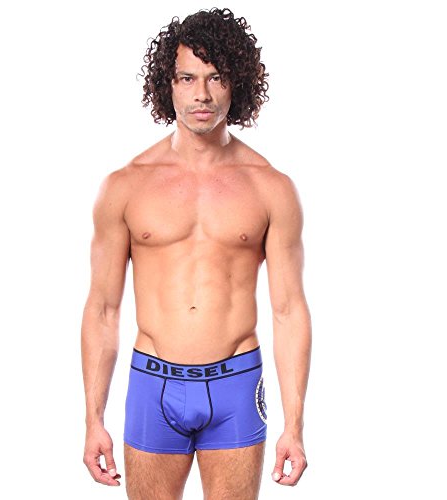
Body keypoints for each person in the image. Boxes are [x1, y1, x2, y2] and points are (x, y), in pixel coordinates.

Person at [81, 7, 311, 498]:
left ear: (237, 83)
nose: (201, 95)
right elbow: (103, 308)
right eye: (187, 78)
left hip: (236, 385)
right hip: (152, 383)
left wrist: (294, 424)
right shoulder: (125, 186)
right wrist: (92, 418)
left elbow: (289, 309)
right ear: (168, 85)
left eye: (215, 78)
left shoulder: (271, 188)